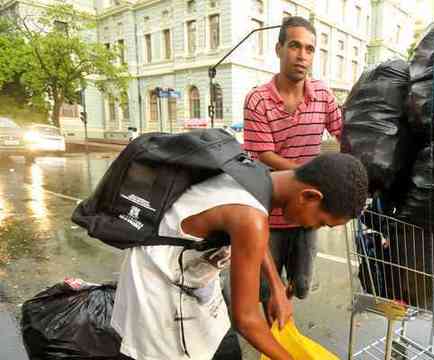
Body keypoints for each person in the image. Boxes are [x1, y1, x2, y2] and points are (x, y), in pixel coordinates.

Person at [111, 153, 368, 360]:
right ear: (310, 196)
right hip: (162, 285)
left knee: (221, 345)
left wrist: (277, 286)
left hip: (189, 269)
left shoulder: (257, 174)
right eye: (321, 223)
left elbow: (254, 237)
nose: (313, 228)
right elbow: (246, 320)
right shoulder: (250, 217)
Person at [243, 16, 342, 300]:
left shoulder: (322, 94)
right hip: (269, 215)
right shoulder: (258, 99)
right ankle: (272, 332)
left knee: (301, 286)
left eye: (309, 49)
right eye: (295, 46)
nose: (302, 56)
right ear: (279, 49)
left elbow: (342, 132)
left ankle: (285, 314)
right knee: (263, 290)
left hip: (308, 215)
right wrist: (311, 175)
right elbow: (264, 153)